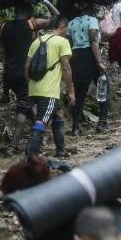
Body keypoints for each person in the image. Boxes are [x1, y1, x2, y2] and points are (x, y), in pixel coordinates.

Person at [0, 4, 51, 155]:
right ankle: (13, 146)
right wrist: (46, 1)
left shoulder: (5, 27)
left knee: (30, 104)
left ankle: (39, 140)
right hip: (25, 75)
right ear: (28, 12)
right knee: (24, 109)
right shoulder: (32, 24)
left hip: (8, 76)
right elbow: (56, 18)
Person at [24, 17, 75, 159]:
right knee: (42, 121)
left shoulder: (36, 41)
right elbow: (66, 67)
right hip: (48, 92)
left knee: (58, 113)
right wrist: (71, 91)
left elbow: (26, 67)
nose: (67, 31)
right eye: (67, 27)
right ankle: (30, 154)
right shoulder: (62, 42)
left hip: (34, 89)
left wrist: (31, 87)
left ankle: (61, 150)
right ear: (62, 25)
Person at [66, 4, 104, 137]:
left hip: (76, 57)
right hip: (90, 56)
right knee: (102, 87)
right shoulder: (92, 20)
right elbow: (93, 40)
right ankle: (102, 122)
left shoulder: (70, 23)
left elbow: (69, 42)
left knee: (79, 93)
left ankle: (75, 127)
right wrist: (99, 62)